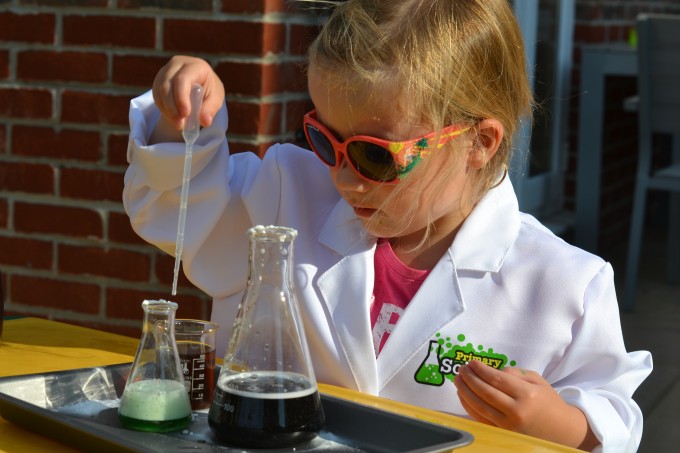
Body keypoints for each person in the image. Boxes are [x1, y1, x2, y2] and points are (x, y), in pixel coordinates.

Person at [123, 0, 652, 451]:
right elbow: (176, 211)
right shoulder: (286, 192)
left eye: (375, 157)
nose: (344, 179)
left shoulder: (564, 284)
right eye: (325, 140)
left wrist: (557, 424)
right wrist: (181, 126)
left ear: (479, 143)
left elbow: (612, 415)